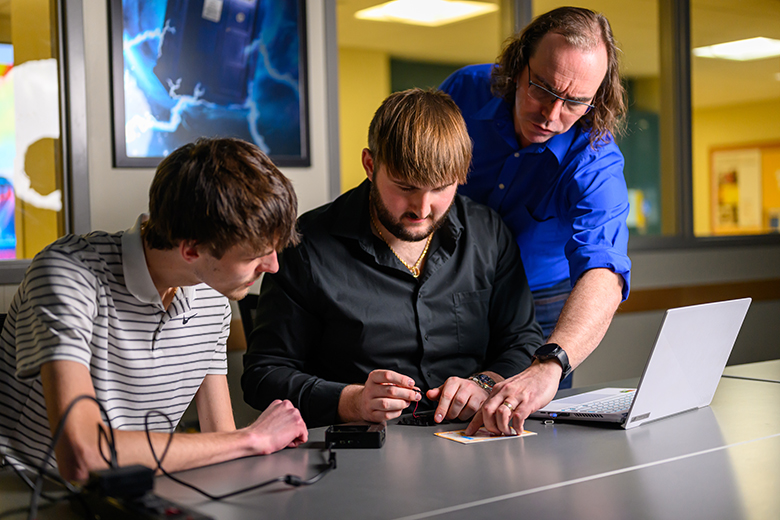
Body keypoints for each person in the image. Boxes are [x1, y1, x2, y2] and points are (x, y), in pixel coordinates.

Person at [0, 138, 308, 483]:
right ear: (191, 249)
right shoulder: (67, 273)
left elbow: (223, 443)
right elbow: (82, 454)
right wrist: (253, 437)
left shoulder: (213, 299)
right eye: (255, 255)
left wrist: (248, 445)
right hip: (27, 492)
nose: (273, 266)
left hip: (135, 492)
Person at [242, 89, 543, 428]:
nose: (422, 209)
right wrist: (351, 401)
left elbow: (523, 341)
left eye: (441, 188)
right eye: (405, 188)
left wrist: (484, 382)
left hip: (473, 436)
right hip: (359, 451)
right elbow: (262, 376)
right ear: (370, 166)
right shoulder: (305, 246)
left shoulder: (488, 233)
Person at [439, 7, 631, 436]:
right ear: (517, 64)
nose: (551, 114)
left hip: (541, 301)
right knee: (442, 415)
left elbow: (605, 269)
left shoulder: (595, 161)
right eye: (541, 88)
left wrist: (552, 363)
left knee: (526, 427)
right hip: (448, 287)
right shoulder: (466, 91)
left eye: (575, 102)